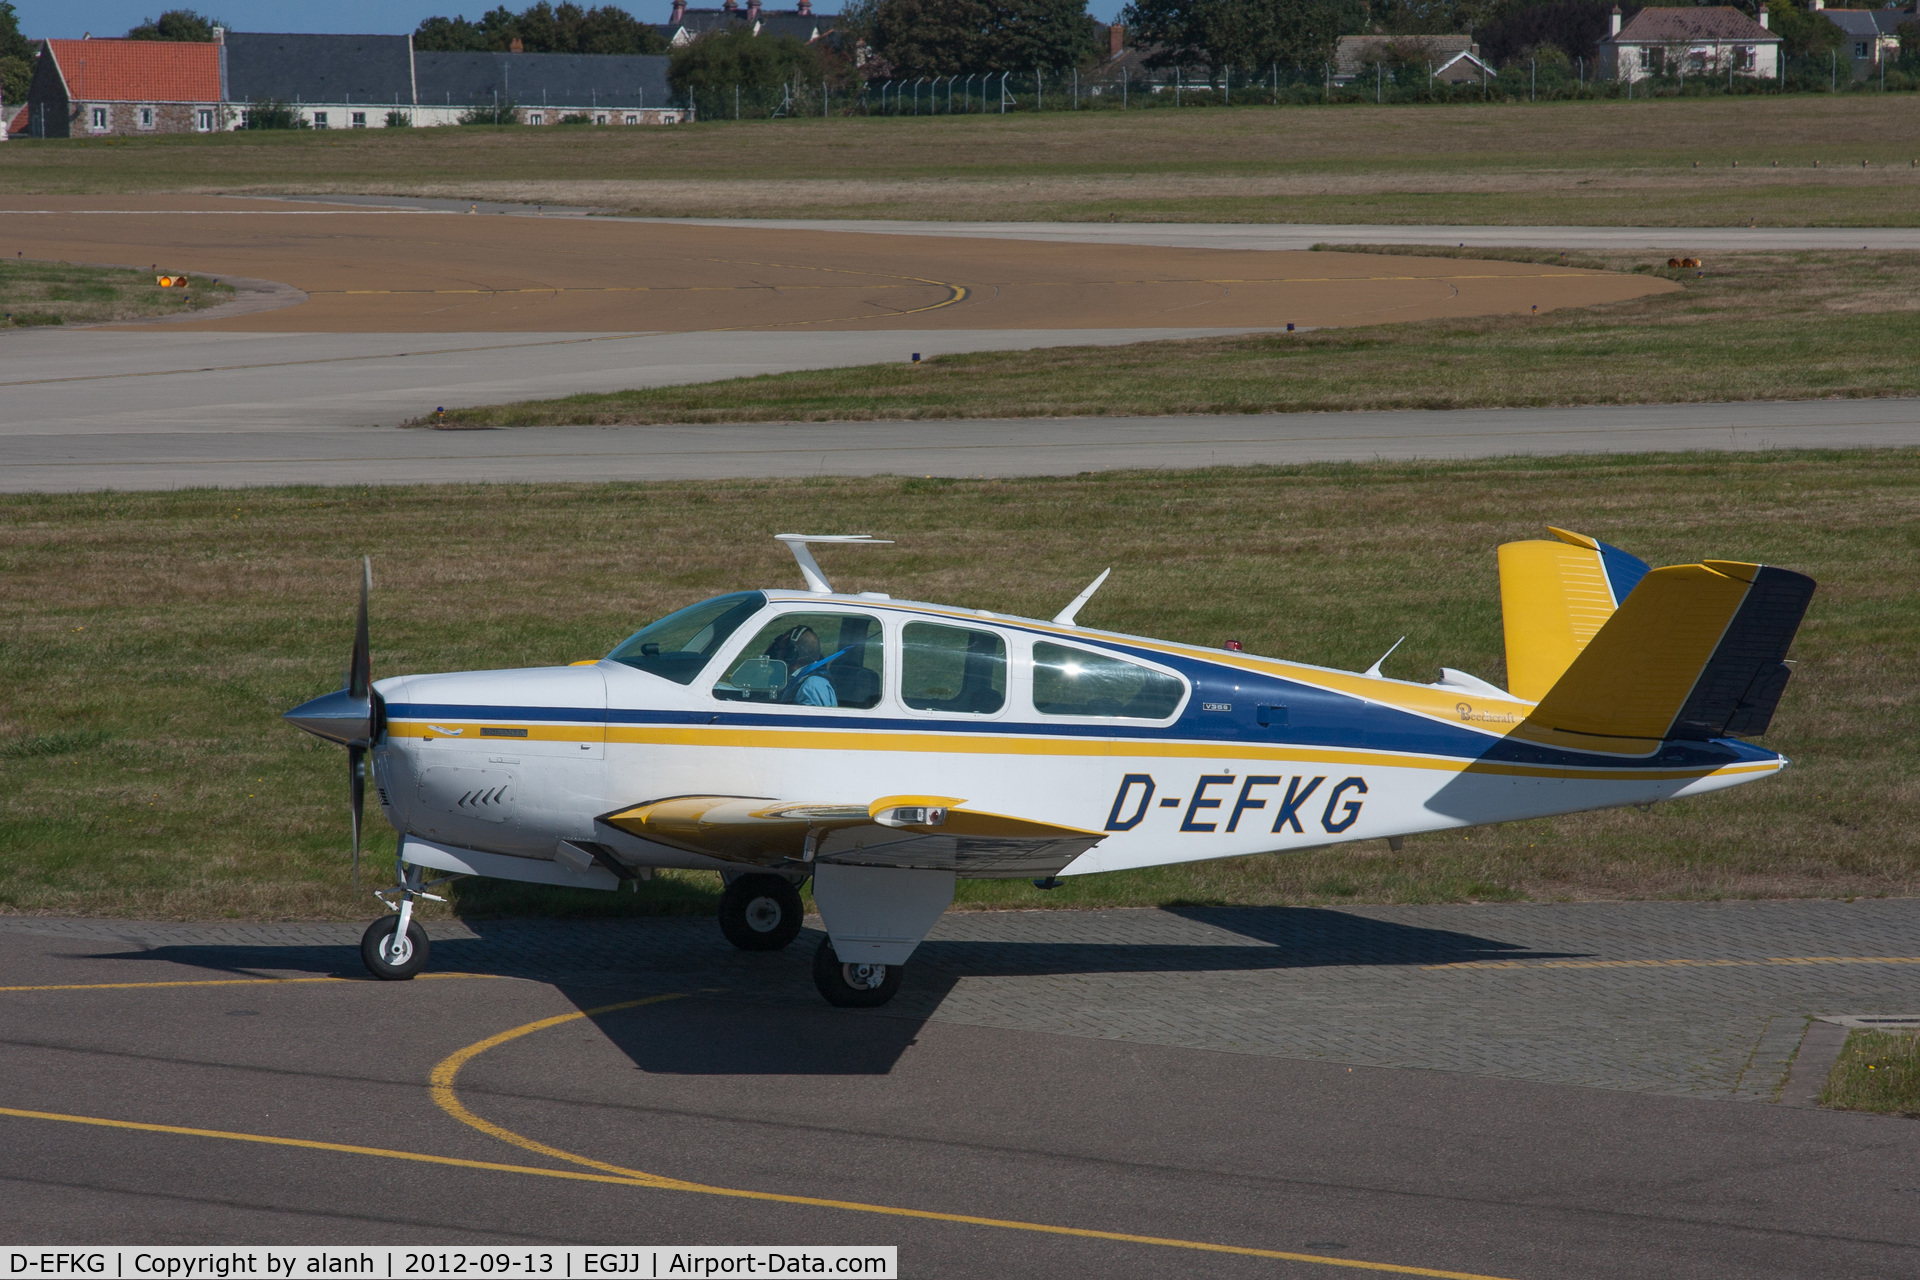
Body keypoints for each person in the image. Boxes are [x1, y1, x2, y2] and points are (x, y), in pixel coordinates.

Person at [768, 625, 837, 707]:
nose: (776, 653)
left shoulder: (812, 685)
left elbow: (815, 719)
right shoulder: (798, 680)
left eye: (779, 649)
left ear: (791, 654)